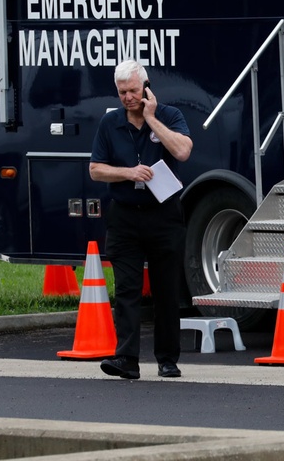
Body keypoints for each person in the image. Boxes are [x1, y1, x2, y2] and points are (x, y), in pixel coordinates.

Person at [89, 59, 193, 380]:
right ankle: (127, 358)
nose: (128, 97)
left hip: (163, 215)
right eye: (122, 92)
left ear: (146, 87)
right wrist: (128, 172)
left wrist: (151, 118)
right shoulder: (110, 124)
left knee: (165, 290)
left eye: (133, 90)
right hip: (125, 218)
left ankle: (167, 358)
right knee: (128, 290)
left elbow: (183, 151)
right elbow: (96, 169)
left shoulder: (169, 116)